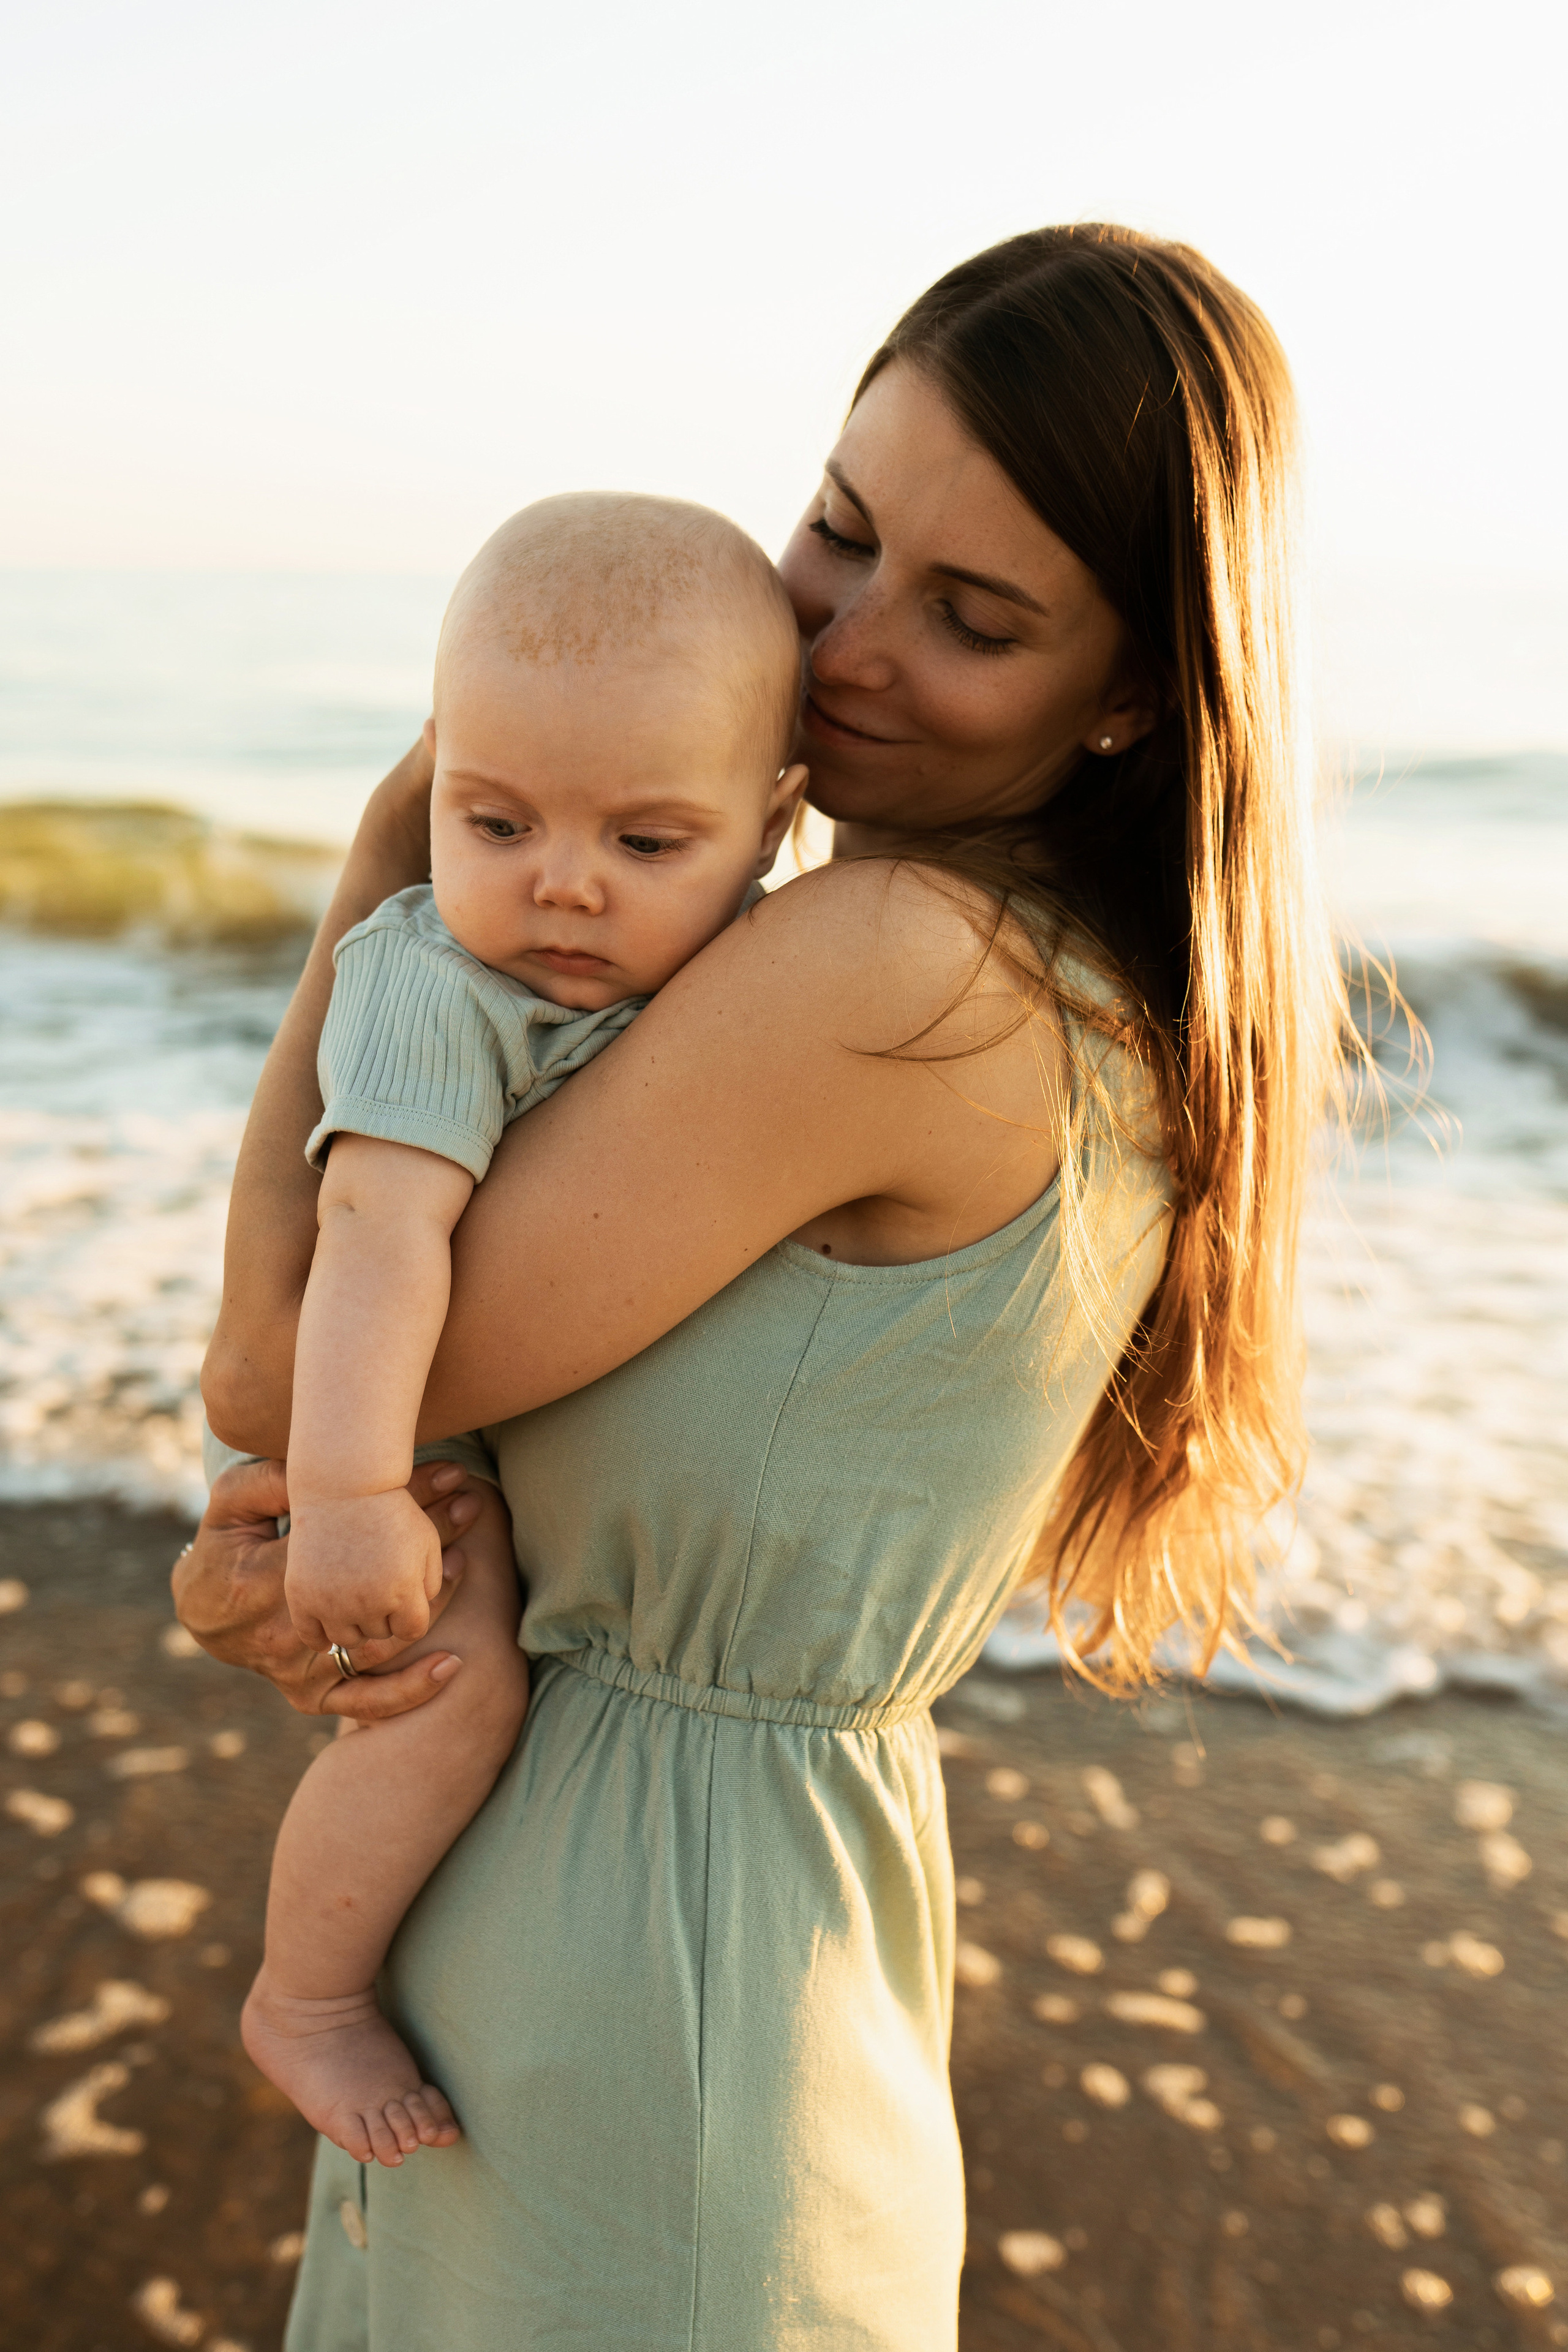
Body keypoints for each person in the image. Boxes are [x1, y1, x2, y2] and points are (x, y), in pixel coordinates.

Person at [178, 224, 1341, 2349]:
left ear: (1131, 698)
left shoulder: (892, 975)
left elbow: (272, 1364)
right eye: (841, 531)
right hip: (718, 1942)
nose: (843, 647)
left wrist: (392, 879)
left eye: (975, 620)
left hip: (633, 2002)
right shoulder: (1053, 979)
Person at [241, 494, 807, 2168]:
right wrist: (348, 1495)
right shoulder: (443, 987)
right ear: (438, 781)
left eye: (645, 845)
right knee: (462, 1687)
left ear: (773, 826)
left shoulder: (750, 961)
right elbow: (373, 1235)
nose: (560, 886)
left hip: (452, 1384)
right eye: (494, 824)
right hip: (376, 1402)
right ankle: (307, 1996)